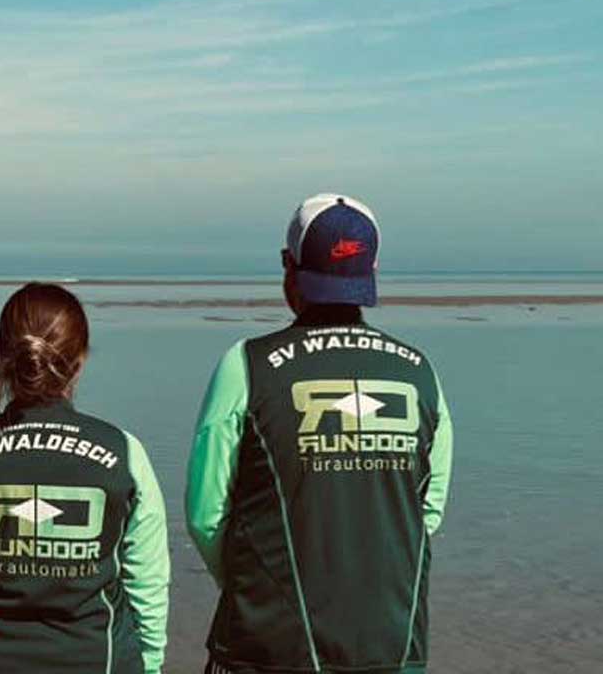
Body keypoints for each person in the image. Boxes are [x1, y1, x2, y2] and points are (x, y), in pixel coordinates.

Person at [186, 194, 454, 674]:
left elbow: (206, 515)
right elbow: (427, 512)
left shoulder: (247, 365)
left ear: (289, 267)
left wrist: (254, 586)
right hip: (391, 643)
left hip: (266, 646)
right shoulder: (419, 372)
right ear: (373, 269)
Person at [0, 282, 170, 674]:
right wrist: (151, 664)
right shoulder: (123, 452)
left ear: (3, 355)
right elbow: (148, 581)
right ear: (81, 360)